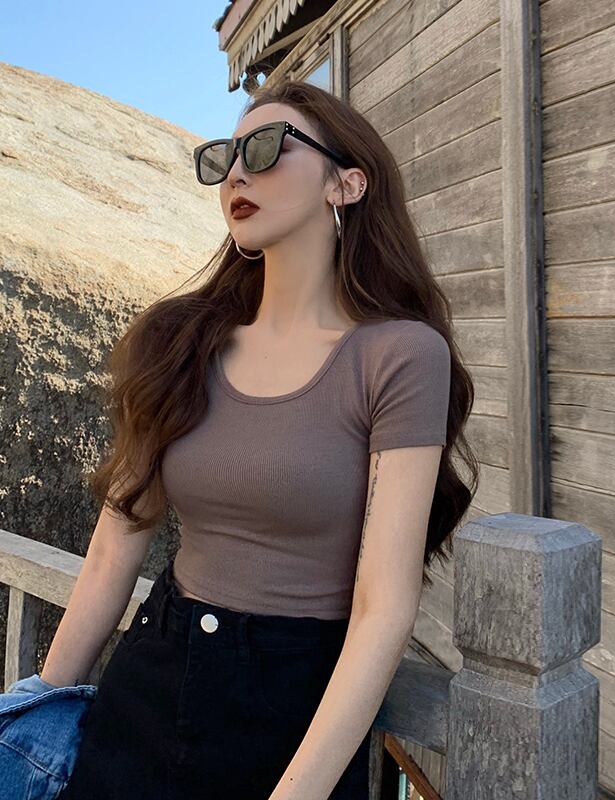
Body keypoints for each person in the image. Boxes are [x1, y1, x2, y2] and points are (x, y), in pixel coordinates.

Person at [47, 78, 478, 800]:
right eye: (226, 157)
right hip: (150, 679)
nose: (238, 174)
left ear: (346, 183)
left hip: (296, 712)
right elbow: (113, 551)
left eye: (269, 147)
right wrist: (36, 719)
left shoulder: (399, 357)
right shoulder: (178, 342)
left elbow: (383, 609)